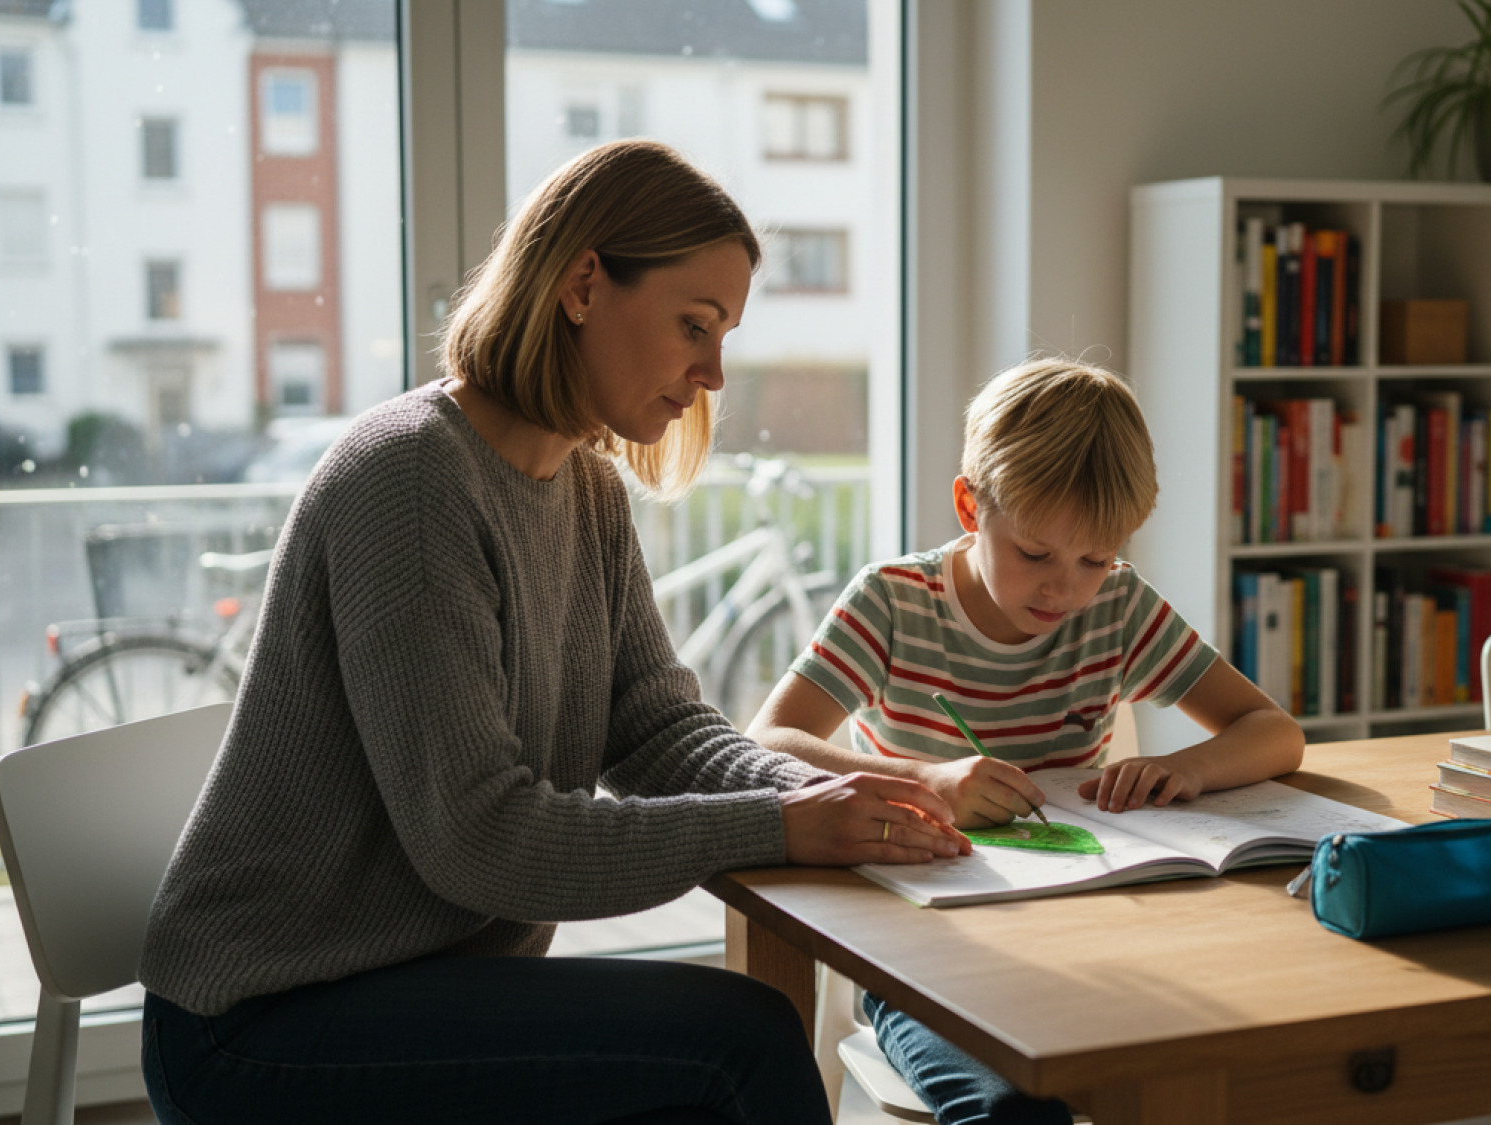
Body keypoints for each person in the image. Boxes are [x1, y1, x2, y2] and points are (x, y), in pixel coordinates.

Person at [136, 140, 966, 1125]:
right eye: (693, 325)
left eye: (724, 334)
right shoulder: (408, 485)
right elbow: (478, 839)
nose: (712, 373)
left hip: (415, 981)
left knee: (734, 1042)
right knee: (738, 1045)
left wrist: (819, 793)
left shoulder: (585, 488)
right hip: (263, 1018)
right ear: (581, 283)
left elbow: (656, 730)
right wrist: (774, 824)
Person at [746, 357, 1307, 1125]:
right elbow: (767, 740)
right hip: (922, 944)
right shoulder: (892, 604)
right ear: (971, 505)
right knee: (1011, 1112)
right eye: (1036, 554)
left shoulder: (1117, 607)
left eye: (1096, 559)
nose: (1065, 590)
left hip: (1090, 931)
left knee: (1235, 1069)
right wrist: (926, 779)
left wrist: (1187, 767)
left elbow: (1274, 731)